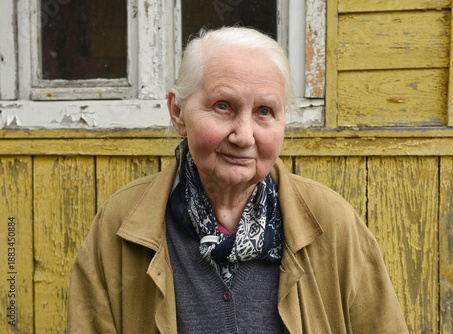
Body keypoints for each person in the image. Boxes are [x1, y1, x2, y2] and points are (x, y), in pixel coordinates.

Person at [67, 27, 408, 333]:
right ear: (177, 112)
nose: (244, 136)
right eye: (222, 106)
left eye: (264, 111)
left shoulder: (333, 222)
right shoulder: (120, 223)